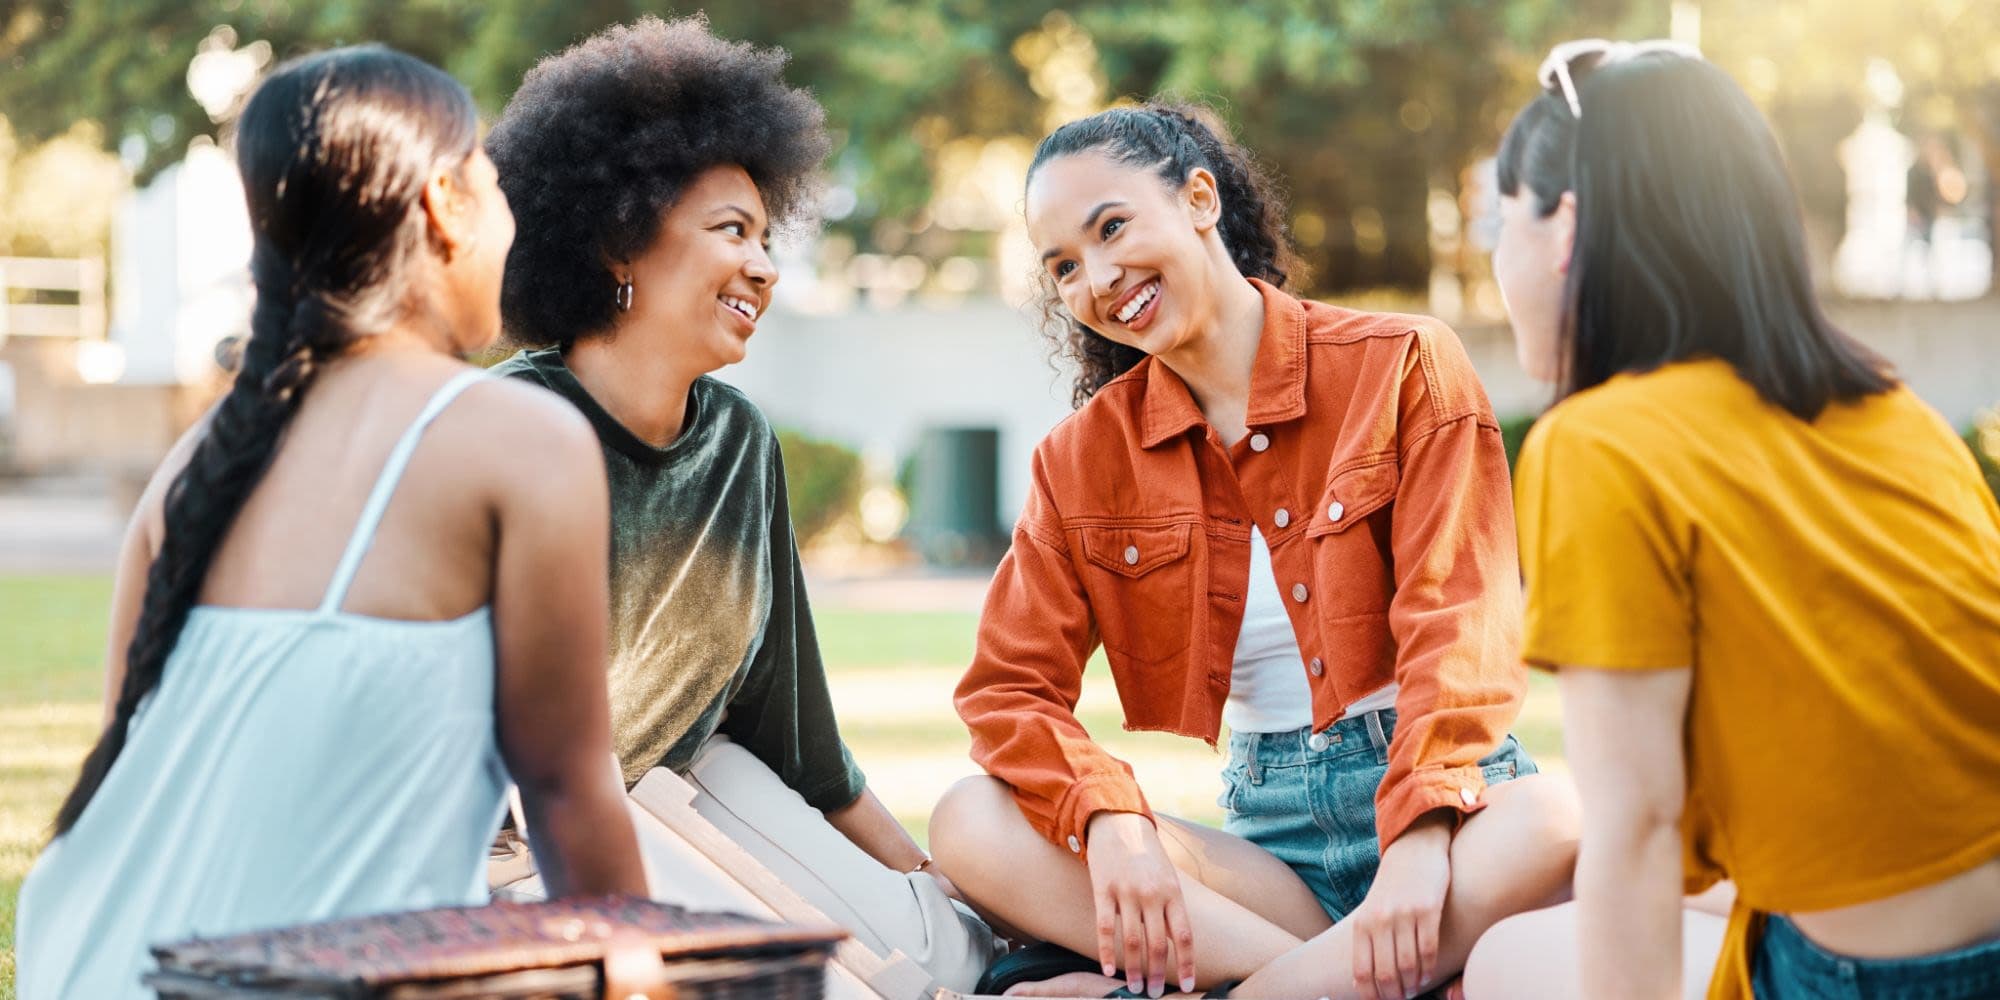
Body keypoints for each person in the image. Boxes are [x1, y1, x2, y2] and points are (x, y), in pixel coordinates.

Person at [15, 46, 646, 999]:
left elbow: (135, 763)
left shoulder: (200, 461)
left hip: (90, 962)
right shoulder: (519, 440)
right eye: (493, 178)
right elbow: (565, 791)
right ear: (444, 203)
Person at [929, 102, 1579, 1000]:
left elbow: (1459, 624)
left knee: (1549, 819)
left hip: (1451, 820)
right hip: (1273, 866)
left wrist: (1421, 841)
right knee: (971, 819)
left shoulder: (1404, 365)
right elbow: (1008, 692)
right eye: (1065, 267)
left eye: (1113, 227)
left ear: (1199, 198)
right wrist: (1110, 817)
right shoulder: (1079, 460)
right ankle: (1358, 981)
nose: (1101, 277)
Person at [1466, 41, 2000, 1000]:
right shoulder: (1892, 407)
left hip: (1900, 975)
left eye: (1500, 221)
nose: (1497, 257)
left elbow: (1636, 824)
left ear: (1566, 229)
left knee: (1508, 957)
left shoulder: (1599, 443)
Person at [480, 17, 996, 993]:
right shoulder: (502, 425)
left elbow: (793, 735)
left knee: (953, 959)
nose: (763, 267)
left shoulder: (738, 440)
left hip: (696, 778)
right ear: (618, 241)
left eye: (766, 237)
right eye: (732, 231)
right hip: (524, 837)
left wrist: (926, 882)